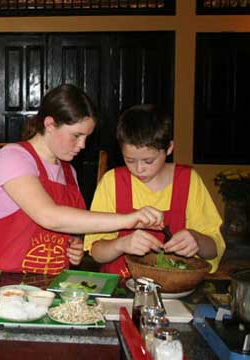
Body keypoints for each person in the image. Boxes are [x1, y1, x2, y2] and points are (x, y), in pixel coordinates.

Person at [0, 84, 164, 275]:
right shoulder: (13, 157)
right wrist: (129, 219)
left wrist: (72, 246)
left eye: (86, 137)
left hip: (41, 287)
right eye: (76, 136)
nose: (83, 145)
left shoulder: (69, 172)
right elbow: (49, 217)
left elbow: (63, 227)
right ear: (50, 124)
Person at [85, 104, 224, 278]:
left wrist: (196, 239)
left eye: (148, 161)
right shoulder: (112, 182)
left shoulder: (189, 181)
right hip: (121, 287)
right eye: (130, 160)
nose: (139, 169)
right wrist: (121, 244)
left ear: (169, 148)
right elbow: (96, 252)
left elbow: (213, 250)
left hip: (175, 287)